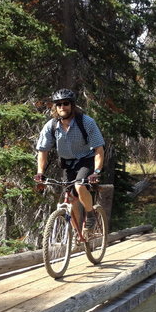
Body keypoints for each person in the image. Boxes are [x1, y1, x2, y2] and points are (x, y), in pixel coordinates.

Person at [34, 88, 105, 230]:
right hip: (67, 163)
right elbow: (43, 150)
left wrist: (96, 171)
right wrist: (40, 172)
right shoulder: (51, 126)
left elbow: (99, 149)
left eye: (65, 103)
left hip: (86, 160)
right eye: (58, 104)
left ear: (72, 105)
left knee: (79, 185)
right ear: (55, 107)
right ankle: (77, 234)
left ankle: (90, 214)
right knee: (71, 198)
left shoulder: (86, 122)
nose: (62, 107)